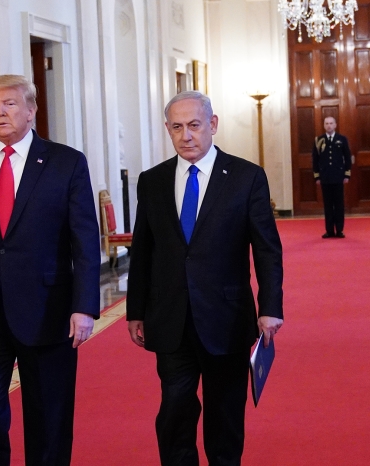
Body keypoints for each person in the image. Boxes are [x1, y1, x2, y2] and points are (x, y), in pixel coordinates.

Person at [0, 75, 101, 466]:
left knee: (48, 414)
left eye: (9, 104)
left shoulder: (66, 162)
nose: (1, 112)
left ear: (31, 110)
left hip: (48, 309)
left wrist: (85, 306)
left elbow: (84, 239)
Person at [126, 91, 284, 466]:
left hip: (226, 317)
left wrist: (270, 307)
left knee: (224, 413)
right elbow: (143, 251)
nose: (187, 136)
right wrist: (135, 310)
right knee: (175, 408)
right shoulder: (152, 181)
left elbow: (266, 249)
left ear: (212, 125)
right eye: (177, 128)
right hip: (170, 319)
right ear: (168, 130)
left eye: (194, 126)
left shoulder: (246, 177)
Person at [312, 116, 352, 239]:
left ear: (335, 125)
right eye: (326, 123)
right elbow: (315, 159)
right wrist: (317, 176)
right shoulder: (319, 140)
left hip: (338, 176)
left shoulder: (342, 139)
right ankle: (329, 230)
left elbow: (347, 157)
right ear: (324, 125)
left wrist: (347, 174)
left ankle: (339, 230)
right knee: (328, 205)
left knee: (339, 204)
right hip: (325, 177)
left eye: (331, 123)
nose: (329, 125)